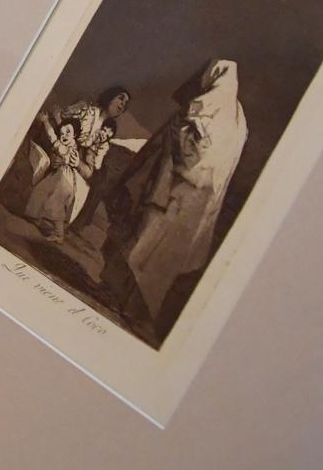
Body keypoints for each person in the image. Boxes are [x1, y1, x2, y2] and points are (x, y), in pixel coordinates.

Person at [98, 59, 247, 335]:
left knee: (145, 242)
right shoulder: (238, 120)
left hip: (173, 190)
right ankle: (126, 302)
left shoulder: (209, 103)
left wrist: (176, 139)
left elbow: (191, 146)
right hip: (191, 201)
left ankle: (122, 299)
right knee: (154, 250)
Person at [23, 87, 130, 242]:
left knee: (96, 178)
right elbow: (61, 124)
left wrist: (78, 161)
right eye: (121, 98)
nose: (122, 104)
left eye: (125, 104)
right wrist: (58, 150)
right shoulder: (86, 109)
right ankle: (38, 215)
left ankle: (62, 227)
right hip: (59, 140)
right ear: (110, 96)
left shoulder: (106, 131)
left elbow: (91, 159)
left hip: (72, 155)